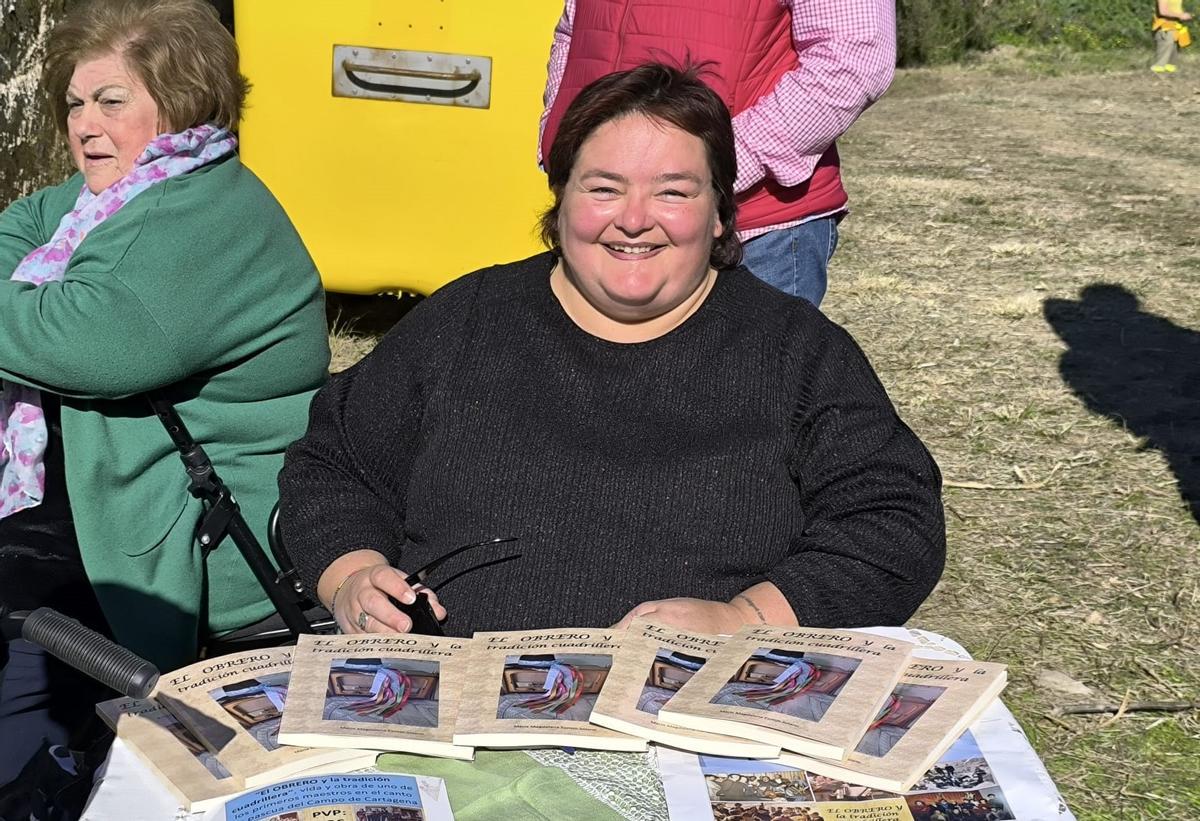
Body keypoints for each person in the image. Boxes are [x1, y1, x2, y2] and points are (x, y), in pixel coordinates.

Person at [279, 62, 943, 640]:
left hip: (692, 724)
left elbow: (893, 521)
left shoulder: (794, 352)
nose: (633, 218)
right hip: (454, 710)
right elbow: (335, 462)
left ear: (718, 212)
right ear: (561, 199)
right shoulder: (467, 321)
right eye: (603, 187)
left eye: (673, 191)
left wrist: (747, 618)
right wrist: (352, 577)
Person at [0, 0, 328, 791]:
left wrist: (30, 292)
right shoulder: (117, 197)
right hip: (104, 518)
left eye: (112, 101)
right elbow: (22, 221)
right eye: (76, 103)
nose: (84, 123)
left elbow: (73, 339)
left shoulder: (199, 218)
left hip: (188, 554)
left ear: (180, 102)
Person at [538, 0, 896, 308]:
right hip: (608, 218)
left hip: (754, 229)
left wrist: (717, 166)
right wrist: (561, 139)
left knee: (742, 385)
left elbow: (856, 56)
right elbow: (576, 28)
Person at [1152, 0, 1193, 73]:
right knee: (1160, 66)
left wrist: (1185, 16)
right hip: (1165, 28)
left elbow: (1175, 9)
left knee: (1171, 66)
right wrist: (1181, 15)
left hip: (1175, 28)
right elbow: (1163, 11)